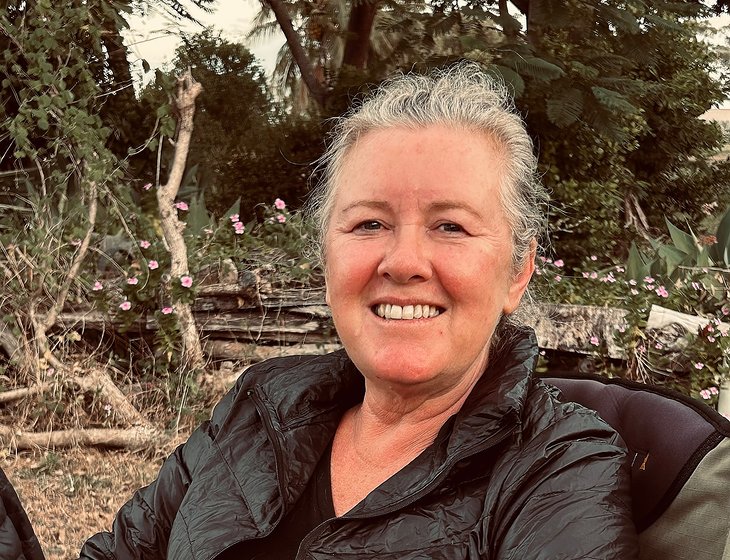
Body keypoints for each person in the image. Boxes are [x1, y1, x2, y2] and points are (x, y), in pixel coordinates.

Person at [79, 62, 638, 559]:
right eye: (369, 223)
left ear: (517, 272)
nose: (403, 262)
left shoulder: (558, 472)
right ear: (326, 259)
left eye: (451, 226)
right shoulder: (262, 405)